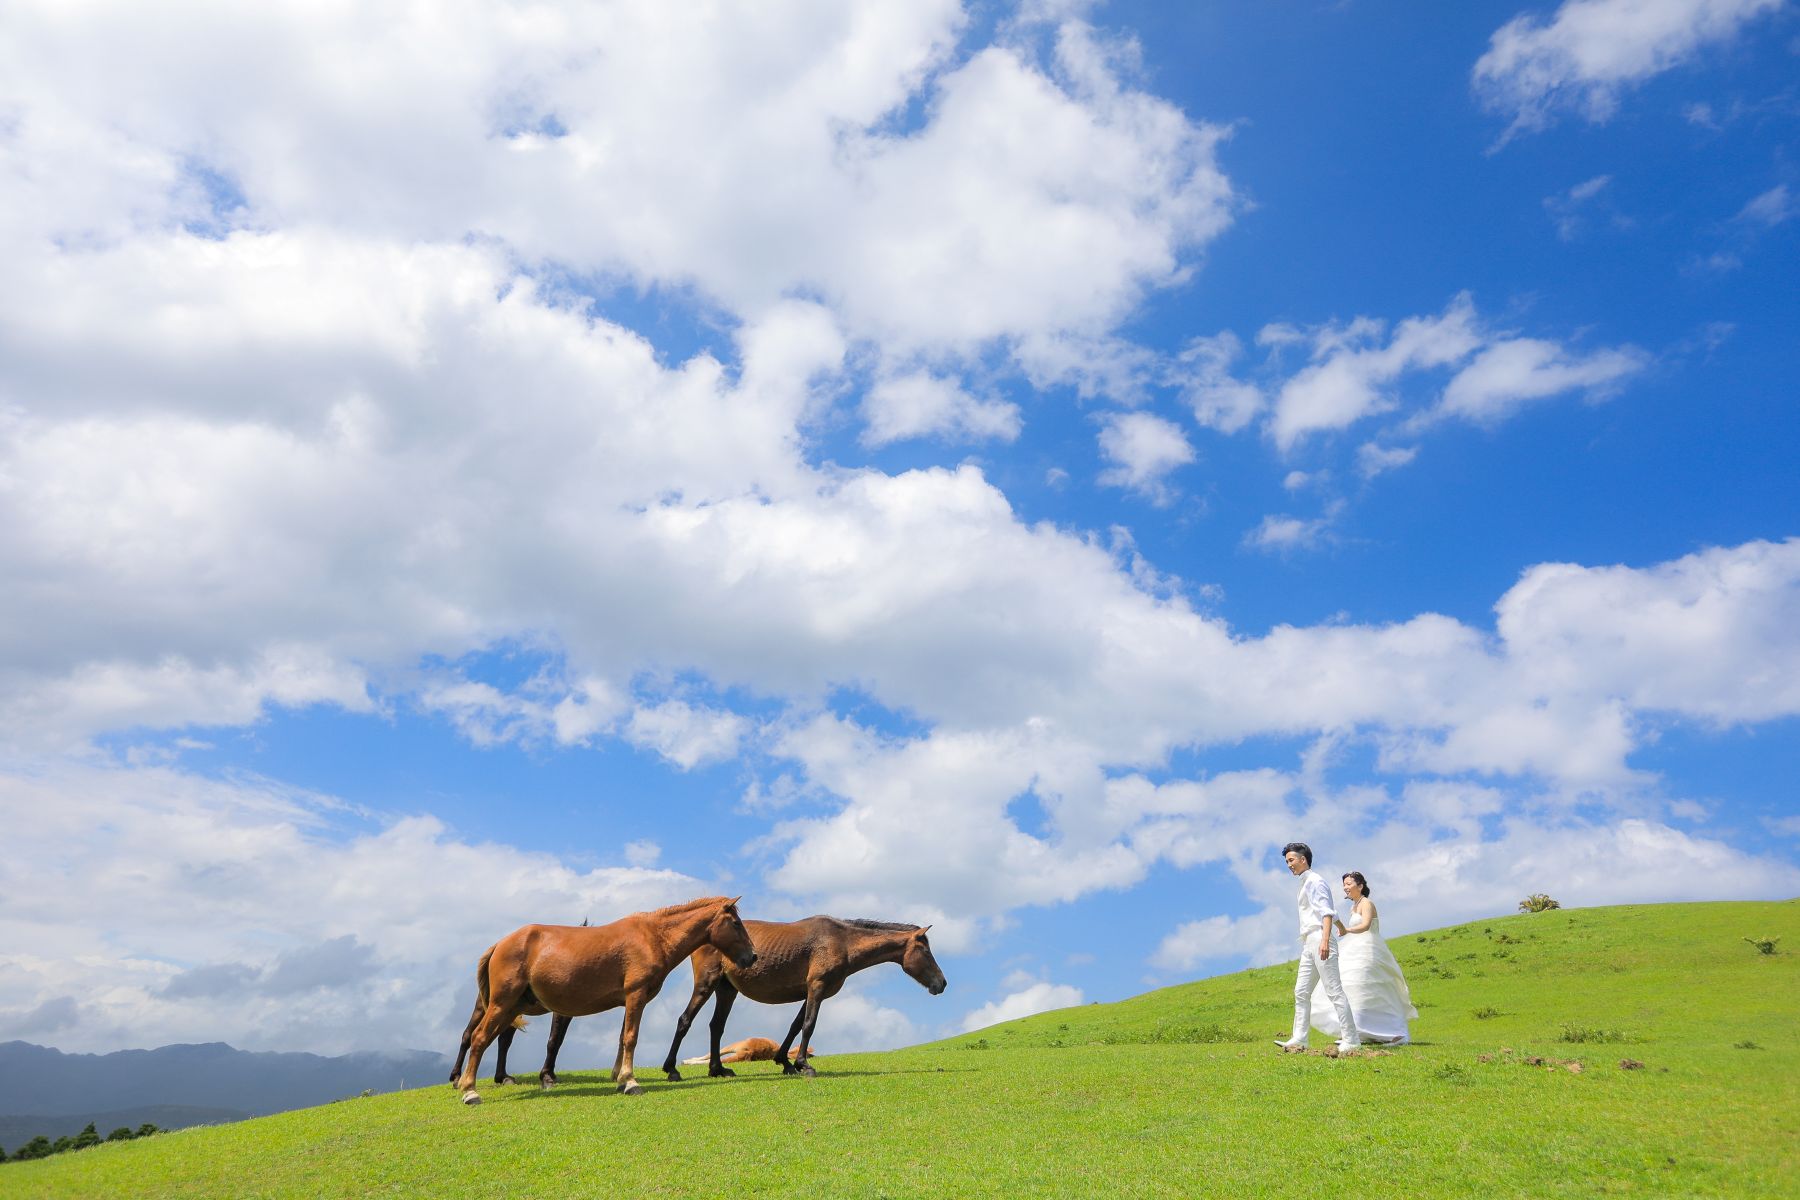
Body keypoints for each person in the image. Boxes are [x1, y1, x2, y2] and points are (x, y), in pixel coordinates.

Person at [1310, 870, 1417, 1045]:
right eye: (1344, 884)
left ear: (1360, 885)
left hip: (1369, 949)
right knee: (1354, 989)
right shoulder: (1354, 906)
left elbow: (1366, 925)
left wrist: (1346, 930)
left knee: (1371, 988)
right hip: (1354, 948)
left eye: (1349, 884)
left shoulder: (1367, 903)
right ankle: (1358, 1031)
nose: (1345, 888)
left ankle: (1397, 1033)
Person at [1275, 842, 1359, 1053]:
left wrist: (1324, 940)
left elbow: (1326, 912)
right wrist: (1342, 928)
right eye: (1286, 861)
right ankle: (1299, 1039)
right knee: (1301, 991)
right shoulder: (1305, 882)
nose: (1289, 865)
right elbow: (1331, 912)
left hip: (1319, 939)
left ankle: (1352, 1039)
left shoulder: (1315, 881)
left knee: (1334, 991)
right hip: (1308, 942)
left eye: (1291, 860)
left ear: (1303, 859)